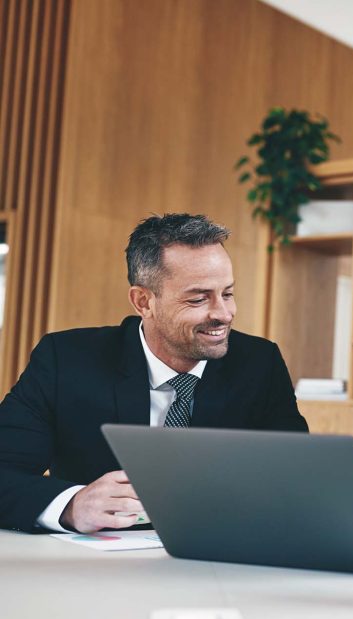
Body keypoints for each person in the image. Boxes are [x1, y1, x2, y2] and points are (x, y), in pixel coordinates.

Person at [0, 213, 308, 534]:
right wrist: (71, 506)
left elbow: (298, 482)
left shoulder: (259, 363)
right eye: (199, 298)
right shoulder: (66, 360)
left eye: (227, 293)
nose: (223, 313)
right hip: (99, 570)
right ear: (143, 301)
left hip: (218, 562)